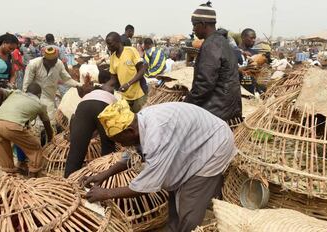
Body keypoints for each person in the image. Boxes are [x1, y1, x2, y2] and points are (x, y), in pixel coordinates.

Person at [82, 100, 237, 232]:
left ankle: (188, 228)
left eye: (119, 140)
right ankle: (173, 228)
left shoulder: (155, 137)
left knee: (190, 201)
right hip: (193, 141)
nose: (120, 145)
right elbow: (131, 154)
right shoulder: (140, 122)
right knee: (174, 188)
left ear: (130, 131)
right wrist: (105, 174)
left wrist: (105, 194)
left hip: (213, 145)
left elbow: (144, 186)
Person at [184, 2, 242, 123]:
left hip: (216, 112)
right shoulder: (222, 41)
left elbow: (204, 84)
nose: (193, 29)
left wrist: (186, 105)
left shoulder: (211, 45)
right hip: (227, 108)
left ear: (203, 24)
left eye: (194, 25)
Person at [0, 83, 53, 177]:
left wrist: (0, 106)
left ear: (26, 91)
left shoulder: (16, 93)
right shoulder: (40, 105)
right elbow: (47, 124)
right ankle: (33, 175)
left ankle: (9, 179)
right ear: (39, 95)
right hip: (12, 126)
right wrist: (51, 139)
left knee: (5, 156)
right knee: (35, 147)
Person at [64, 82, 117, 178]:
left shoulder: (87, 96)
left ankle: (68, 180)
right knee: (108, 146)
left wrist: (75, 136)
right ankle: (107, 179)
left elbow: (77, 120)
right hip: (105, 107)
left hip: (83, 107)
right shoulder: (113, 98)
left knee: (76, 149)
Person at [22, 45, 82, 123]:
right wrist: (25, 101)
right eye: (51, 61)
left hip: (50, 96)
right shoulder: (34, 64)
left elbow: (67, 79)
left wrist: (79, 85)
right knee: (38, 121)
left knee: (49, 120)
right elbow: (26, 84)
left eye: (55, 60)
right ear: (44, 59)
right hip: (35, 96)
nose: (53, 63)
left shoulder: (58, 64)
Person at [104, 32, 148, 113]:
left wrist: (128, 84)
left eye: (110, 44)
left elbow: (142, 70)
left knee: (140, 119)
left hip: (139, 94)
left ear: (118, 41)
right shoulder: (113, 58)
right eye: (107, 45)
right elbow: (113, 79)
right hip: (125, 96)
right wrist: (104, 86)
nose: (108, 47)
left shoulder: (131, 51)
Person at [235, 28, 258, 94]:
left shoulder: (255, 53)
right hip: (237, 90)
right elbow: (231, 70)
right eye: (251, 38)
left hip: (251, 90)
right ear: (243, 37)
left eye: (254, 38)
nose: (253, 40)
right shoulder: (233, 52)